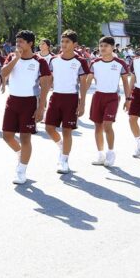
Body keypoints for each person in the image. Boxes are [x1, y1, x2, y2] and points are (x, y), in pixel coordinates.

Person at [0, 30, 52, 184]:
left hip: (29, 102)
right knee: (7, 136)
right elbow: (3, 74)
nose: (18, 45)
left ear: (30, 43)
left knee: (25, 137)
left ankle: (21, 170)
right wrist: (16, 58)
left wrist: (41, 107)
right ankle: (20, 154)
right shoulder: (11, 57)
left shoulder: (39, 61)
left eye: (21, 42)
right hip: (12, 101)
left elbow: (45, 85)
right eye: (17, 42)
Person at [42, 30, 90, 173]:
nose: (63, 44)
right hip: (55, 97)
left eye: (67, 42)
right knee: (49, 128)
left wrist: (82, 103)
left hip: (71, 98)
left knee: (67, 131)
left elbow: (83, 83)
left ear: (75, 44)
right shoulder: (53, 60)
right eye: (62, 41)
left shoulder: (80, 61)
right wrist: (42, 99)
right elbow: (48, 81)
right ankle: (62, 146)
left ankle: (64, 160)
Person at [87, 35, 132, 167]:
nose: (102, 48)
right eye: (101, 46)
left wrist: (128, 99)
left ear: (112, 47)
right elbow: (88, 81)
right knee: (98, 126)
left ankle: (111, 152)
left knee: (107, 125)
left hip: (112, 97)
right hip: (98, 96)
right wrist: (81, 95)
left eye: (106, 46)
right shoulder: (95, 63)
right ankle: (100, 154)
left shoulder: (120, 63)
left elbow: (125, 82)